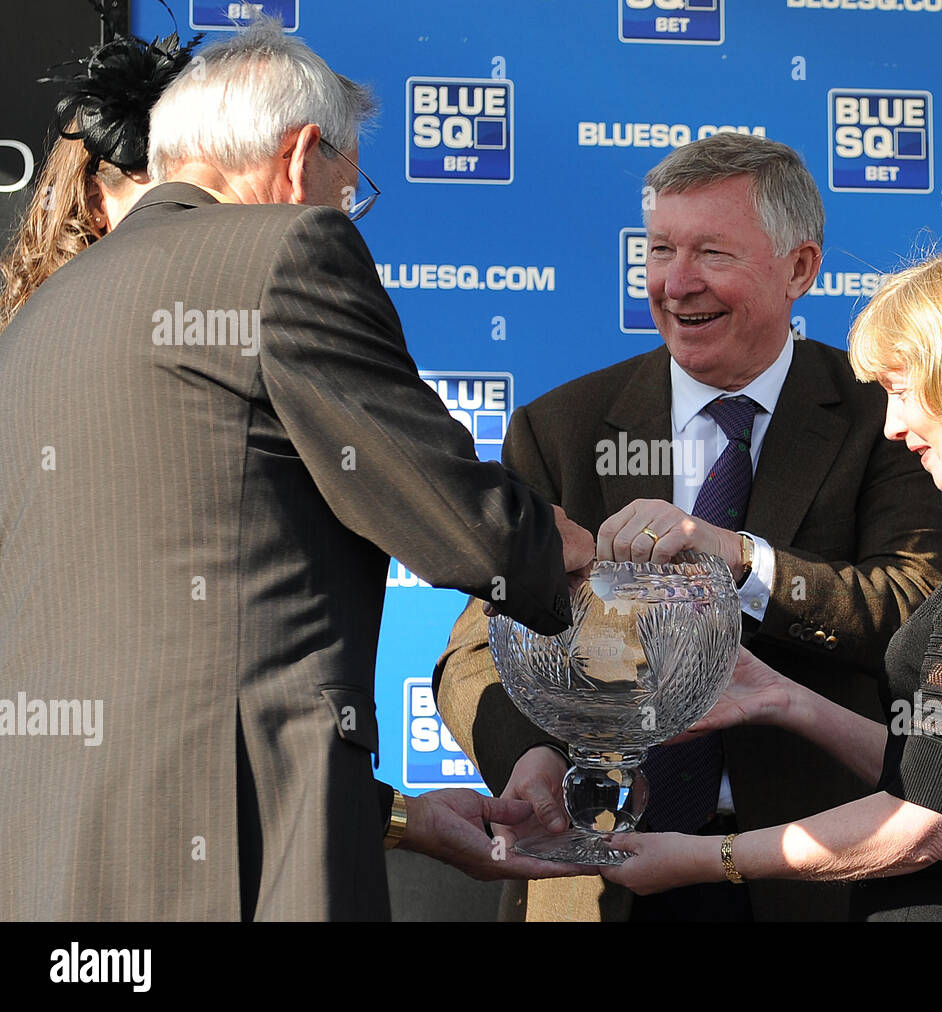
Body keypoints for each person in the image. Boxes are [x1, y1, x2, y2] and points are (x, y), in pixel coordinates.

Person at [0, 18, 594, 921]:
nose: (341, 214)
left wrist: (401, 818)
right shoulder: (283, 252)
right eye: (346, 193)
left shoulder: (42, 314)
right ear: (299, 156)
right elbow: (454, 518)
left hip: (57, 857)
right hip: (238, 855)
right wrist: (583, 558)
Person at [434, 132, 942, 921]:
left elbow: (916, 608)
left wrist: (741, 560)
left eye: (712, 253)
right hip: (603, 874)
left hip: (810, 870)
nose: (676, 284)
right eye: (661, 249)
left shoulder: (882, 414)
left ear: (800, 268)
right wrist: (531, 755)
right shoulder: (561, 428)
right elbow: (478, 643)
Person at [599, 243, 942, 921]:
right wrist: (784, 700)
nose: (892, 425)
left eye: (900, 389)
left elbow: (923, 822)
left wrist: (708, 859)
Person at [0, 29, 194, 328]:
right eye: (161, 209)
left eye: (199, 202)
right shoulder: (64, 328)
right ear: (96, 203)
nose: (190, 229)